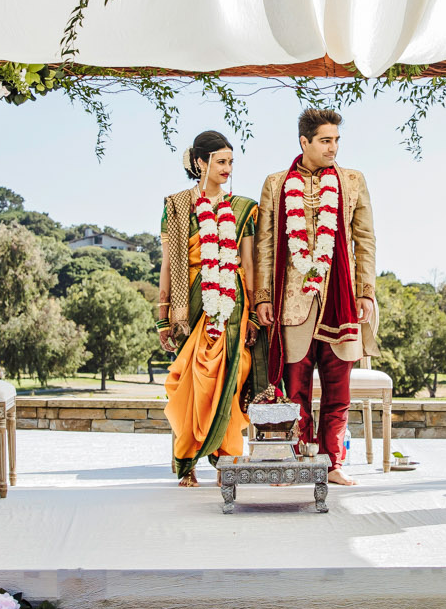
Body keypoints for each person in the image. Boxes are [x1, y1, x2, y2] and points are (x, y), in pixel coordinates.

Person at [254, 108, 378, 487]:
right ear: (304, 142)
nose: (333, 148)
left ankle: (332, 462)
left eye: (337, 140)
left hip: (339, 297)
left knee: (338, 390)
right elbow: (264, 244)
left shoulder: (353, 181)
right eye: (326, 140)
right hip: (292, 303)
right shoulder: (276, 184)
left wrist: (366, 291)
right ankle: (297, 460)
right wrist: (262, 296)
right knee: (296, 389)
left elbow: (365, 240)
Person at [158, 130, 262, 485]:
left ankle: (227, 462)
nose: (227, 168)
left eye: (231, 162)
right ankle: (187, 463)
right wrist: (163, 317)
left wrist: (252, 311)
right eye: (220, 161)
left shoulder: (244, 208)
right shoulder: (175, 206)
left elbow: (247, 263)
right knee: (191, 382)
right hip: (192, 304)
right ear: (200, 162)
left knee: (232, 384)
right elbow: (169, 265)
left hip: (233, 305)